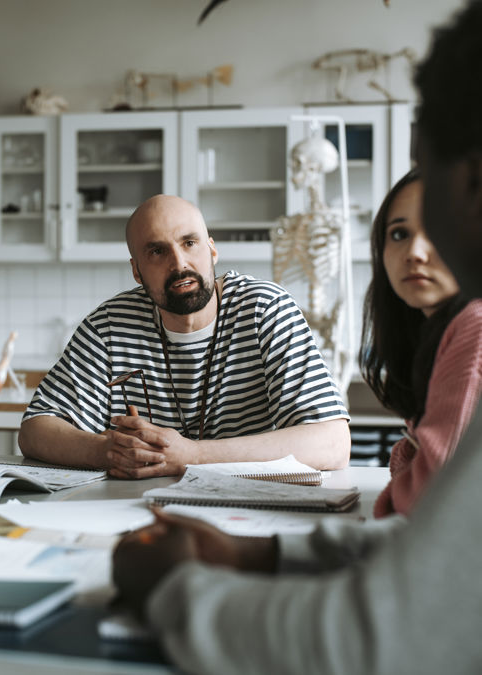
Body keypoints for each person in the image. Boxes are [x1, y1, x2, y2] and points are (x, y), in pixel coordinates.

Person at [111, 1, 482, 672]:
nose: (417, 236)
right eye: (396, 229)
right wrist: (260, 552)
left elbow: (377, 639)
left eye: (426, 165)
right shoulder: (460, 334)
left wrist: (172, 587)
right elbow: (435, 552)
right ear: (137, 267)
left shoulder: (474, 335)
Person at [19, 194, 351, 477]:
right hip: (140, 513)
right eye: (157, 252)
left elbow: (332, 443)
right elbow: (35, 429)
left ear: (212, 250)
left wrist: (190, 455)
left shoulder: (264, 308)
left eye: (189, 243)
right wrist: (106, 451)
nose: (179, 264)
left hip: (252, 510)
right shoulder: (109, 324)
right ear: (136, 270)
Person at [359, 168, 482, 517]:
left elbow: (428, 502)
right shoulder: (442, 330)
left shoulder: (475, 324)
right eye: (399, 233)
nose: (415, 251)